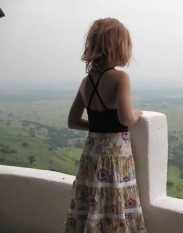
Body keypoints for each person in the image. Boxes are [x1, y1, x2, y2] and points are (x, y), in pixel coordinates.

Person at [64, 18, 146, 233]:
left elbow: (73, 122)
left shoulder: (87, 81)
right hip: (116, 158)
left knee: (92, 204)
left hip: (91, 155)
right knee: (114, 203)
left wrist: (98, 127)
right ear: (120, 46)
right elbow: (126, 119)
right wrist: (137, 114)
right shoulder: (121, 78)